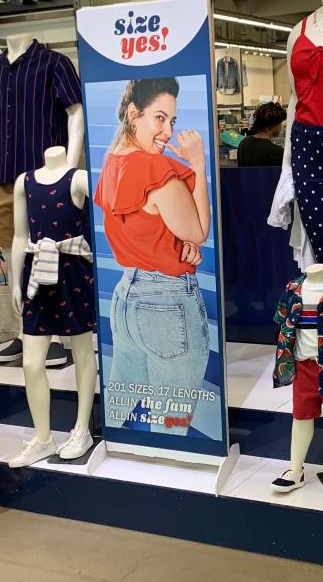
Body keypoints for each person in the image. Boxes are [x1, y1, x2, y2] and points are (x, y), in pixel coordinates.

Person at [94, 78, 212, 436]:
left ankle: (125, 467)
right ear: (134, 114)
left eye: (172, 121)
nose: (167, 131)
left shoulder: (113, 161)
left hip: (127, 297)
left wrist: (180, 238)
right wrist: (198, 163)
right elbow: (199, 232)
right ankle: (171, 470)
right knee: (173, 418)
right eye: (159, 118)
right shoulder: (158, 171)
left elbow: (151, 227)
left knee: (121, 403)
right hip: (168, 303)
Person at [237, 102, 287, 167]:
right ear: (273, 125)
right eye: (280, 124)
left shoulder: (243, 144)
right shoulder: (277, 152)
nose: (281, 127)